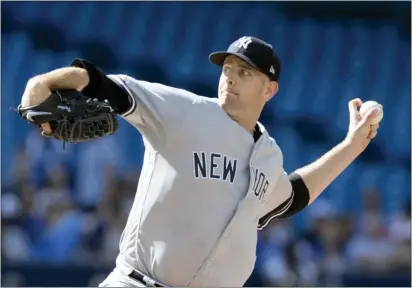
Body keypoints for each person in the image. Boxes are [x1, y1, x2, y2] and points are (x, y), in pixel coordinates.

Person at [20, 36, 380, 287]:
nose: (230, 79)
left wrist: (352, 145)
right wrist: (44, 82)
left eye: (245, 73)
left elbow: (291, 198)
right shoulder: (183, 110)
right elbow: (103, 85)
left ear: (269, 90)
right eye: (228, 69)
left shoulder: (269, 155)